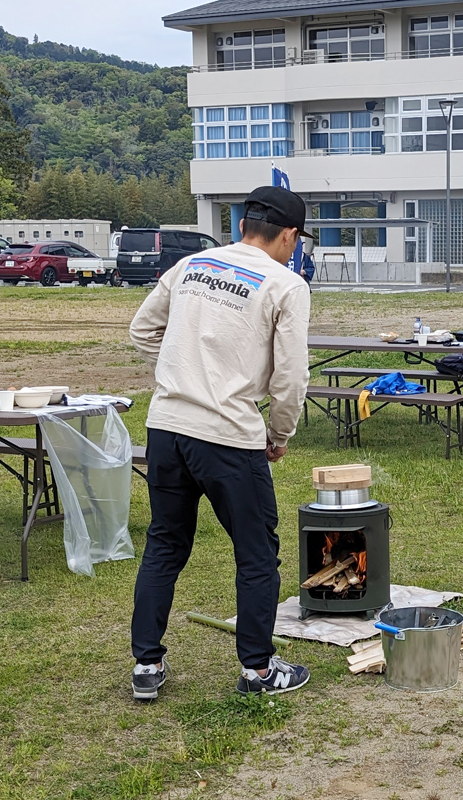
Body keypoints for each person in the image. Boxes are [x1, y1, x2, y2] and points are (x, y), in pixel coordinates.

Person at [128, 185, 312, 700]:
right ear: (290, 235)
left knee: (165, 544)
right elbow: (291, 380)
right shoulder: (285, 284)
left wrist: (182, 373)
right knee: (256, 554)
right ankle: (258, 670)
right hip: (229, 436)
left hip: (166, 427)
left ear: (243, 225)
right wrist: (278, 435)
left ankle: (146, 665)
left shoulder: (191, 265)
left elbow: (143, 331)